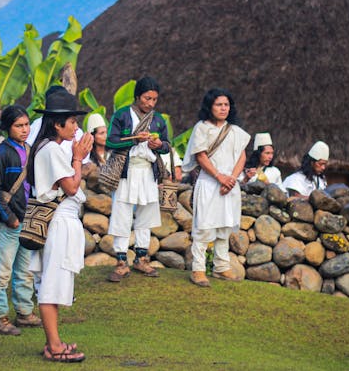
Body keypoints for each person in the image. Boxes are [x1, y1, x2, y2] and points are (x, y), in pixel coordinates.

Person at [27, 88, 92, 363]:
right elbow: (71, 186)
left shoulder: (45, 148)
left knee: (50, 282)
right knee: (51, 284)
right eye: (73, 122)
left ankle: (53, 342)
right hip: (58, 221)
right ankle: (54, 346)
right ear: (57, 124)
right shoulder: (52, 149)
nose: (76, 127)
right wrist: (78, 157)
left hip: (58, 220)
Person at [105, 76, 171, 282]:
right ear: (137, 96)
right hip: (127, 171)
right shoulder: (122, 115)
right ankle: (121, 262)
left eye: (154, 99)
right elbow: (111, 142)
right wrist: (134, 140)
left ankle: (142, 259)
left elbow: (168, 146)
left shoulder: (158, 120)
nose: (150, 103)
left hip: (148, 173)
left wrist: (158, 145)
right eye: (147, 98)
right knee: (122, 213)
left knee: (146, 215)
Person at [182, 88, 250, 287]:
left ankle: (221, 267)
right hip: (209, 183)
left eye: (226, 105)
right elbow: (201, 155)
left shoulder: (235, 131)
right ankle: (198, 269)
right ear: (210, 106)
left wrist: (232, 179)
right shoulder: (201, 128)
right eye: (219, 104)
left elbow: (242, 156)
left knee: (224, 225)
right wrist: (219, 177)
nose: (223, 108)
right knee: (204, 226)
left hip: (230, 184)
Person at [0, 105, 41, 336]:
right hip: (12, 223)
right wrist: (9, 217)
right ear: (8, 128)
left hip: (27, 220)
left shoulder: (29, 149)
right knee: (1, 272)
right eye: (19, 125)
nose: (25, 129)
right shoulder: (0, 153)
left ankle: (24, 312)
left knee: (25, 271)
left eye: (27, 124)